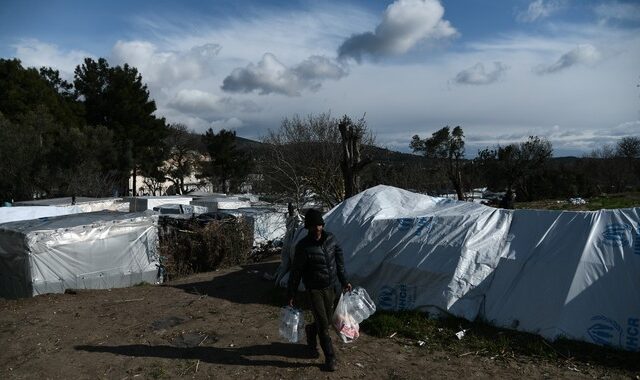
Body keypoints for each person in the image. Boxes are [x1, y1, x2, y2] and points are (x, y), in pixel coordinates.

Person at [287, 208, 351, 372]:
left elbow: (340, 263)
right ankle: (330, 358)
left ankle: (310, 330)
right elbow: (296, 272)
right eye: (313, 226)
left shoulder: (331, 240)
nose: (317, 229)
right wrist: (291, 292)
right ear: (308, 227)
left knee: (328, 320)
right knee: (323, 324)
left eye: (319, 225)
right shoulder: (303, 246)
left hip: (330, 287)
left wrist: (344, 281)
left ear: (322, 225)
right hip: (313, 289)